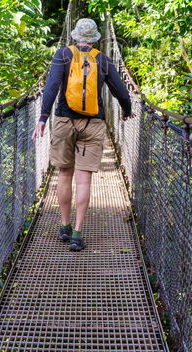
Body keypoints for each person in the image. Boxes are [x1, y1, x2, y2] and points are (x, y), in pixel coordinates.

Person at [32, 17, 134, 251]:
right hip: (93, 123)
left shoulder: (63, 55)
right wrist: (127, 111)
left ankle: (64, 226)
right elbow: (121, 91)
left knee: (64, 174)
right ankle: (78, 233)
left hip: (64, 120)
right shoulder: (103, 59)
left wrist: (42, 117)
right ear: (95, 38)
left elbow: (51, 87)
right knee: (84, 178)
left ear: (75, 36)